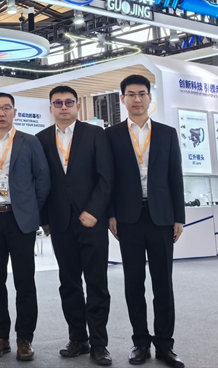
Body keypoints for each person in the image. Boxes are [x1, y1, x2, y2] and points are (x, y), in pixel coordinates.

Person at [106, 74, 185, 368]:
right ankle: (140, 342)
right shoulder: (111, 135)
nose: (136, 99)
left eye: (141, 94)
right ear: (122, 99)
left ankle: (165, 344)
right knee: (133, 282)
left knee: (163, 283)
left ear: (150, 98)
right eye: (131, 94)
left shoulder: (167, 133)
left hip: (161, 217)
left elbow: (175, 176)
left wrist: (179, 217)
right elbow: (108, 179)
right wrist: (111, 213)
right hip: (128, 218)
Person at [36, 86, 114, 366]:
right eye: (58, 103)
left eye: (69, 102)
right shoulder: (41, 139)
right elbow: (39, 182)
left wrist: (95, 211)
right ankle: (77, 338)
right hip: (59, 223)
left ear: (78, 106)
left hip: (92, 221)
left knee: (96, 283)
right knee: (68, 283)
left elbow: (106, 177)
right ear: (51, 108)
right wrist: (44, 220)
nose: (63, 107)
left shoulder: (95, 134)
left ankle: (99, 344)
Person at [0, 92, 50, 361]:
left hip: (20, 220)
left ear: (14, 112)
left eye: (6, 108)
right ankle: (0, 336)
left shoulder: (29, 141)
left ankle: (24, 337)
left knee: (24, 281)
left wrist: (31, 210)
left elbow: (43, 179)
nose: (1, 113)